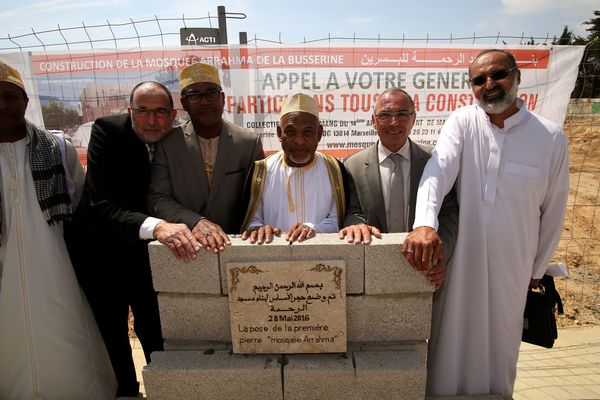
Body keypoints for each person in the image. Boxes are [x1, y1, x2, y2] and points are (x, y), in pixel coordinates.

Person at [403, 49, 569, 396]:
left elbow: (553, 209)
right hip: (464, 259)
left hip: (515, 266)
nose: (489, 85)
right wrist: (424, 223)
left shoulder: (550, 137)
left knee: (500, 347)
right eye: (479, 80)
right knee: (450, 343)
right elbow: (438, 171)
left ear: (517, 77)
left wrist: (537, 267)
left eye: (498, 75)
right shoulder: (463, 121)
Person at [67, 81, 200, 397]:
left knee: (154, 329)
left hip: (148, 256)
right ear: (130, 111)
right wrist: (156, 227)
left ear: (172, 115)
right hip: (102, 250)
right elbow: (100, 205)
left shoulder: (178, 140)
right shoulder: (108, 132)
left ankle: (164, 389)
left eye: (159, 112)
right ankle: (126, 390)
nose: (151, 121)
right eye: (143, 111)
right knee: (112, 334)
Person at [0, 60, 116, 399]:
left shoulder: (57, 147)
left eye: (10, 96)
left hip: (55, 265)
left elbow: (80, 200)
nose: (3, 105)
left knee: (67, 336)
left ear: (25, 101)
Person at [343, 88, 458, 288]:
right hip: (374, 272)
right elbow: (354, 210)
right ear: (373, 120)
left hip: (424, 269)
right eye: (385, 115)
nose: (394, 123)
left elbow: (448, 214)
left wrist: (441, 256)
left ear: (413, 119)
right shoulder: (352, 165)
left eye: (402, 115)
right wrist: (356, 224)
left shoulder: (435, 162)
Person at [148, 62, 264, 252]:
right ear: (184, 103)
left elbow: (258, 198)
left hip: (237, 245)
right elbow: (158, 199)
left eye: (211, 93)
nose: (205, 102)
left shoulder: (248, 143)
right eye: (194, 95)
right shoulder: (168, 145)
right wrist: (195, 222)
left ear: (222, 98)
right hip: (188, 248)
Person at [241, 93, 368, 244]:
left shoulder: (334, 169)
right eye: (290, 132)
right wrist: (258, 228)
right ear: (279, 133)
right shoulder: (260, 171)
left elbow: (336, 221)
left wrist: (313, 229)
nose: (299, 141)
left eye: (307, 132)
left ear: (319, 133)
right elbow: (252, 221)